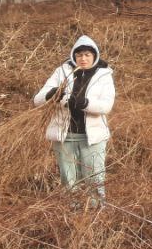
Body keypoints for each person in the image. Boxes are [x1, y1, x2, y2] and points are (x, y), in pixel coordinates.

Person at [33, 35, 116, 206]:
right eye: (79, 55)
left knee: (94, 177)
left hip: (92, 137)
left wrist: (84, 103)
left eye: (87, 54)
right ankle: (73, 210)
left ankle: (96, 211)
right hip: (65, 135)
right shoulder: (62, 71)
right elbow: (38, 100)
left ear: (95, 55)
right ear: (73, 55)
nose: (83, 58)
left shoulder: (104, 74)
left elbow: (106, 106)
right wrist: (52, 94)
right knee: (69, 179)